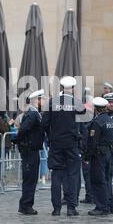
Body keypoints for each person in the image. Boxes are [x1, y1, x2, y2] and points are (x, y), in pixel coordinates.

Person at [41, 76, 86, 216]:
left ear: (60, 87)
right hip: (72, 144)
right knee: (72, 175)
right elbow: (83, 115)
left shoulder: (51, 103)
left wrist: (51, 135)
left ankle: (56, 208)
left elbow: (44, 124)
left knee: (56, 176)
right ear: (73, 88)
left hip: (56, 144)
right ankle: (71, 207)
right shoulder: (76, 103)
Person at [16, 90, 45, 215]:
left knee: (30, 179)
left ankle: (24, 204)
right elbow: (23, 129)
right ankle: (27, 205)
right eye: (42, 99)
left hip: (31, 150)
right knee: (30, 179)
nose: (43, 101)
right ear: (35, 100)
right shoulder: (33, 114)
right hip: (30, 151)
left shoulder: (34, 113)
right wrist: (19, 141)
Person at [86, 97, 113, 216]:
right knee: (107, 180)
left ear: (96, 109)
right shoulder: (111, 120)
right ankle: (110, 205)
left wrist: (87, 156)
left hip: (98, 155)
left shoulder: (97, 122)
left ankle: (101, 206)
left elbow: (92, 142)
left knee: (98, 181)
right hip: (109, 152)